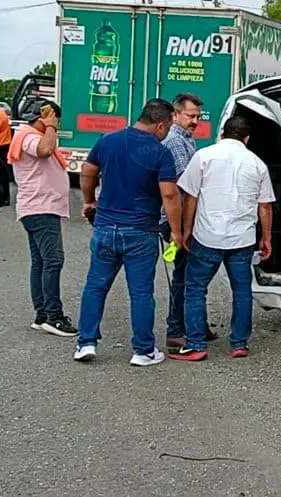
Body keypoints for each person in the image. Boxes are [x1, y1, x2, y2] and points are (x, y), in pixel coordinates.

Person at [73, 99, 184, 366]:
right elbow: (169, 194)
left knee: (95, 287)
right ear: (160, 125)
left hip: (105, 228)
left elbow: (87, 171)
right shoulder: (160, 153)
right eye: (168, 126)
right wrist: (177, 232)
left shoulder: (107, 140)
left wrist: (89, 201)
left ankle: (85, 342)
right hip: (140, 232)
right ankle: (143, 351)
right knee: (141, 293)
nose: (168, 132)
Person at [171, 117, 274, 361]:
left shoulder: (204, 156)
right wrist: (266, 237)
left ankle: (196, 345)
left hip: (207, 236)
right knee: (241, 291)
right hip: (242, 240)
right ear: (246, 139)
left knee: (195, 288)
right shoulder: (257, 164)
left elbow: (190, 197)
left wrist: (187, 230)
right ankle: (239, 343)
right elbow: (265, 206)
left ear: (222, 134)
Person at [9, 99, 77, 337]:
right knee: (53, 261)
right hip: (41, 208)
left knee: (41, 262)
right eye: (56, 119)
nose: (58, 125)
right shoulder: (29, 136)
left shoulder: (27, 135)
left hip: (39, 207)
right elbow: (44, 150)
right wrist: (49, 126)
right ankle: (53, 316)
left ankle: (41, 314)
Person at [158, 92, 219, 349]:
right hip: (177, 219)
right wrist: (183, 229)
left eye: (197, 116)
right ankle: (177, 328)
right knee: (185, 275)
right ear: (176, 114)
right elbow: (183, 186)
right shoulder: (175, 141)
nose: (194, 121)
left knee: (187, 273)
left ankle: (190, 324)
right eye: (190, 116)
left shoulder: (186, 139)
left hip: (181, 219)